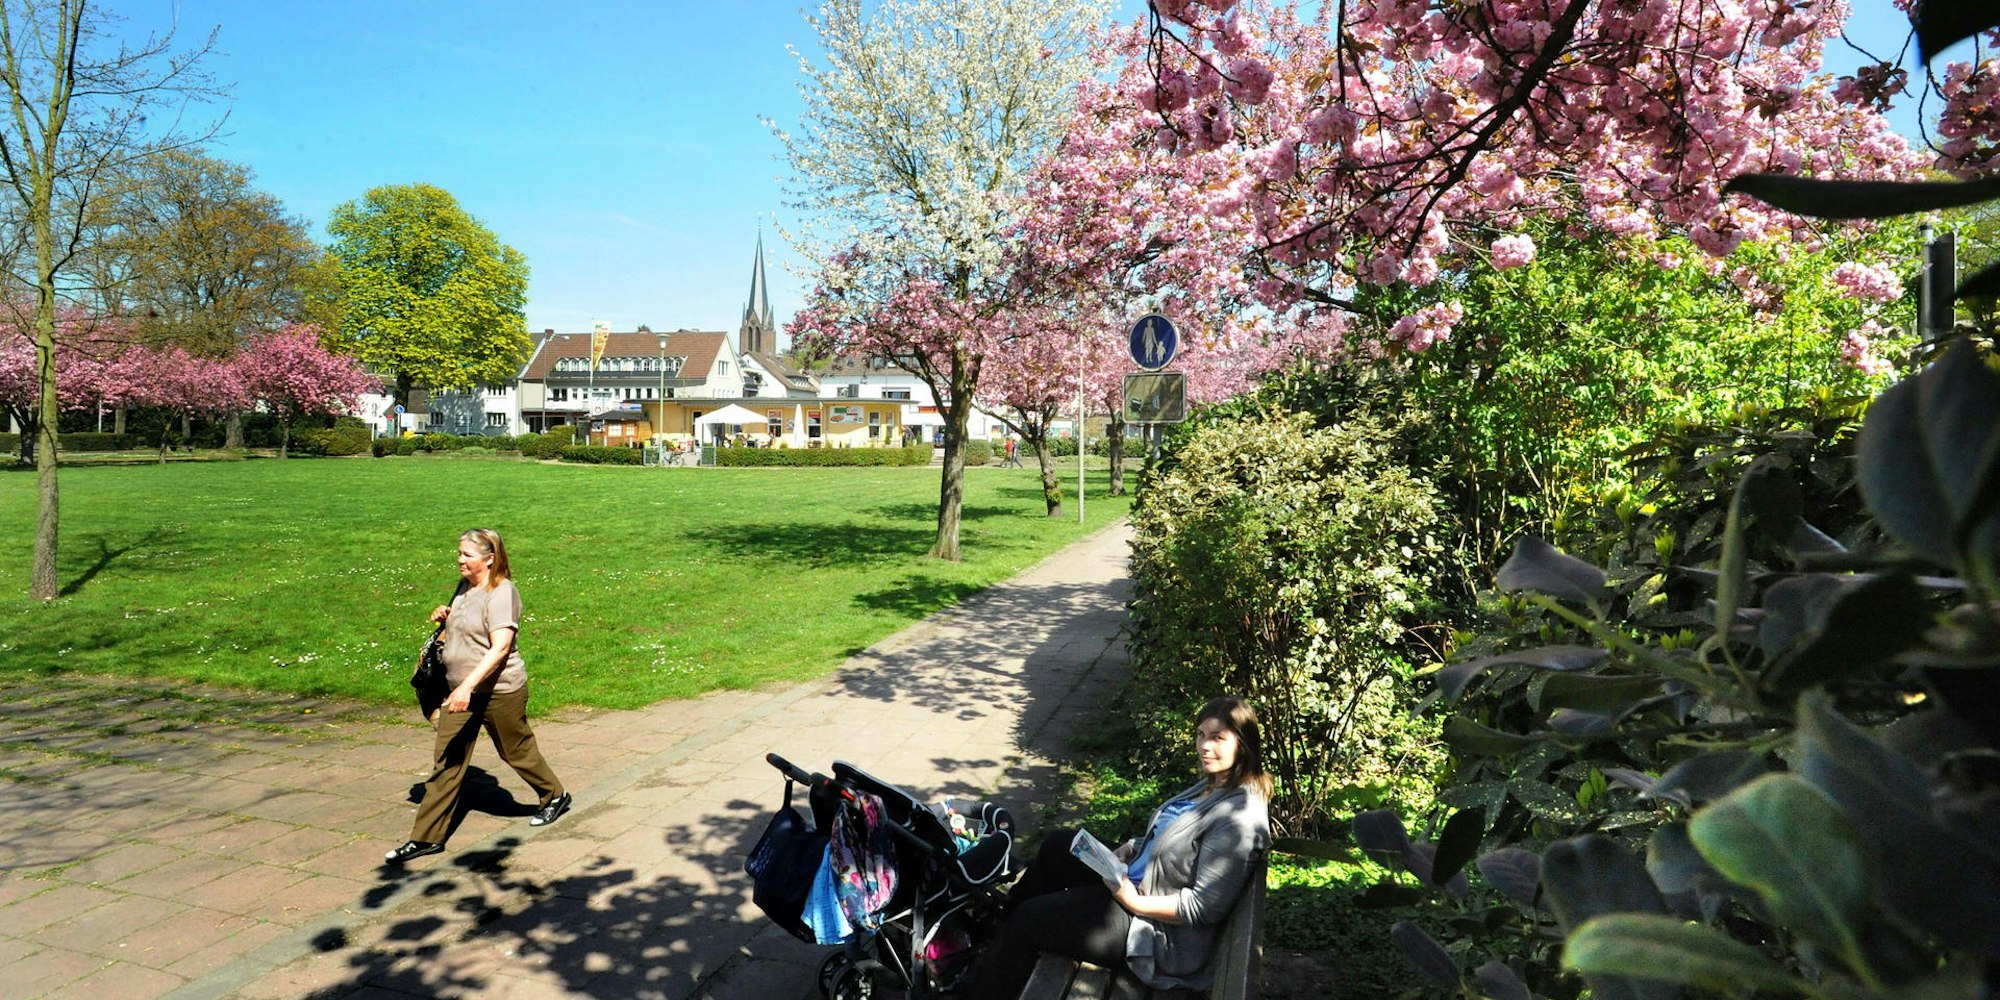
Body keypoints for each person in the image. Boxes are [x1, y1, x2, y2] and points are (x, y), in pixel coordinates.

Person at [966, 696, 1271, 998]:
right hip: (1139, 880)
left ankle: (987, 981)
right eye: (1201, 735)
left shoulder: (1239, 820)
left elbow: (1201, 908)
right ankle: (999, 940)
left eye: (1218, 738)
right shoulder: (1218, 782)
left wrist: (1133, 901)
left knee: (1029, 919)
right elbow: (1175, 835)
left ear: (1243, 743)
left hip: (1153, 929)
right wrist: (1133, 846)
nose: (1205, 746)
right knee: (1058, 846)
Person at [386, 528, 572, 863]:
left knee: (516, 751)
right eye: (459, 553)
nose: (459, 559)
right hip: (459, 690)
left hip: (498, 692)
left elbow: (499, 648)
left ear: (489, 558)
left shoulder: (502, 593)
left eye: (467, 555)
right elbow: (469, 625)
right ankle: (426, 838)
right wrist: (446, 614)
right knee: (447, 762)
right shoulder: (465, 587)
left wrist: (467, 687)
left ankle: (554, 796)